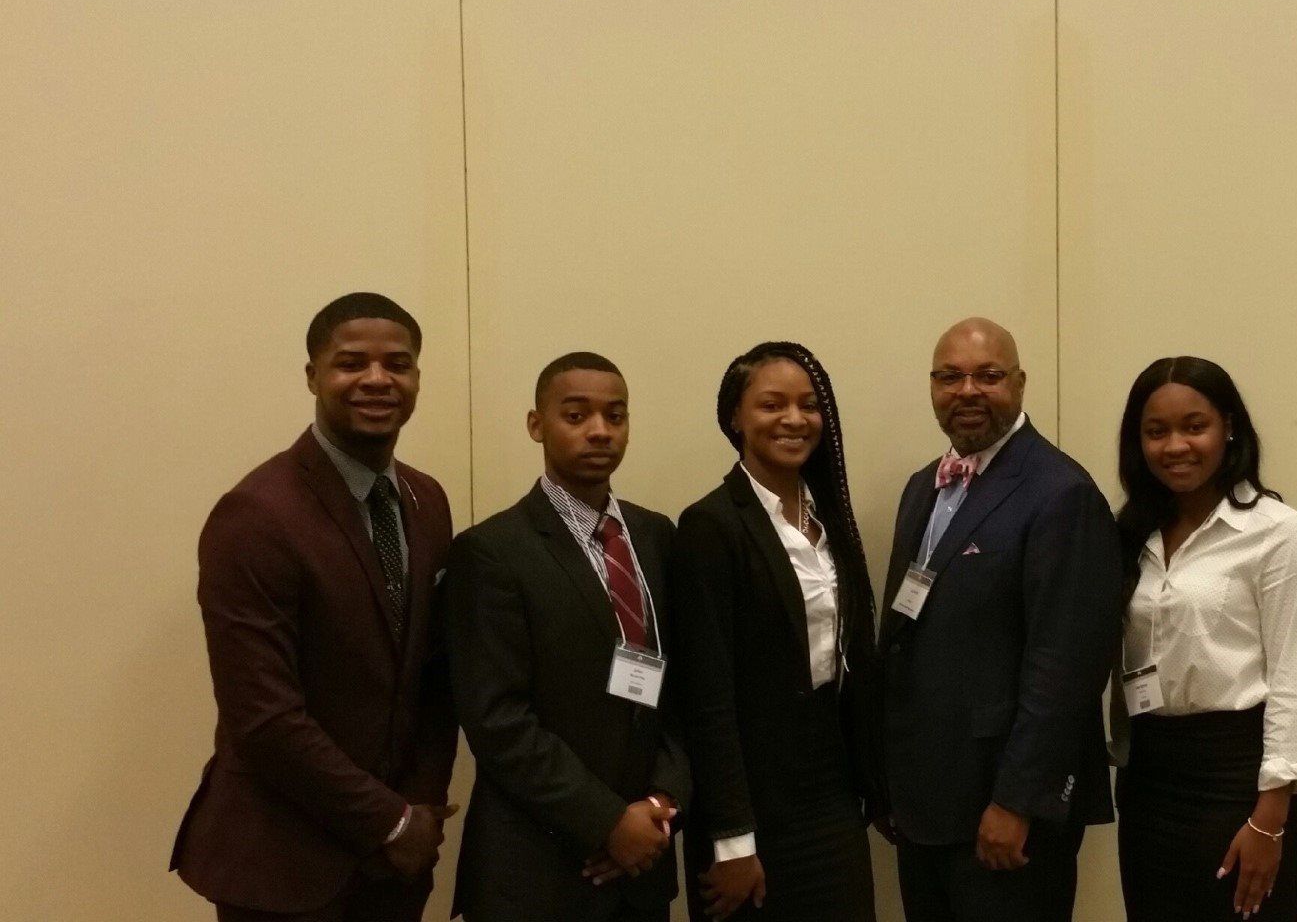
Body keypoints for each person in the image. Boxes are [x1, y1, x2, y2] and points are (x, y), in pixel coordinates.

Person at [171, 292, 459, 921]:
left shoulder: (427, 500)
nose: (377, 379)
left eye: (398, 364)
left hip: (394, 872)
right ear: (312, 375)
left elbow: (435, 675)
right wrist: (389, 820)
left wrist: (420, 810)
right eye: (351, 363)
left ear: (417, 377)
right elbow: (263, 716)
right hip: (283, 865)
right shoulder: (256, 514)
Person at [877, 317, 1125, 922]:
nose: (967, 391)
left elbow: (1066, 667)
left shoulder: (1060, 492)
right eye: (950, 377)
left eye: (988, 376)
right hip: (927, 801)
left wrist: (1017, 801)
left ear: (1020, 383)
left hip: (1003, 812)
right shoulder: (922, 488)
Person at [444, 352, 689, 922]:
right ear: (537, 425)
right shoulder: (491, 551)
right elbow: (497, 720)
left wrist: (660, 804)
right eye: (576, 416)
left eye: (615, 416)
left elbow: (681, 690)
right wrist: (608, 822)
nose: (599, 430)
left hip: (642, 866)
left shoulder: (656, 535)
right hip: (537, 869)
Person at [671, 342, 880, 921]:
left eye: (808, 405)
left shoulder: (830, 517)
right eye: (772, 404)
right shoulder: (711, 525)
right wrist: (732, 840)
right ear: (735, 418)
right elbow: (707, 696)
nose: (794, 419)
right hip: (752, 810)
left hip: (831, 795)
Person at [1111, 356, 1297, 922]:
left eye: (1194, 426)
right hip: (1149, 779)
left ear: (1229, 428)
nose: (1175, 446)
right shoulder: (1132, 533)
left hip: (1239, 781)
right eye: (1156, 431)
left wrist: (1270, 818)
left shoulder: (1277, 533)